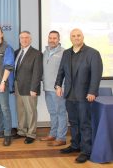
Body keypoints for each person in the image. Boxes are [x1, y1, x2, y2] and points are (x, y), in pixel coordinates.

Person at [55, 28, 103, 163]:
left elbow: (96, 74)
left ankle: (86, 151)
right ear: (70, 38)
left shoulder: (93, 53)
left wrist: (92, 91)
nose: (76, 38)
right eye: (73, 36)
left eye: (78, 35)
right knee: (74, 122)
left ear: (83, 37)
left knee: (85, 123)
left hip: (84, 96)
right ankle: (75, 145)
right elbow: (61, 72)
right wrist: (58, 85)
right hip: (69, 95)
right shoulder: (66, 53)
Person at [13, 31, 43, 144]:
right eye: (22, 38)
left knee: (30, 111)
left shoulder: (37, 54)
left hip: (30, 87)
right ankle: (21, 131)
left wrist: (34, 88)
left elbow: (37, 73)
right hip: (17, 86)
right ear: (19, 39)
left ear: (30, 39)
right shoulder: (16, 52)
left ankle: (31, 134)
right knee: (21, 110)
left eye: (26, 38)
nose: (24, 40)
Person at [40, 30, 67, 146]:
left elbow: (66, 72)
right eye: (50, 38)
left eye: (54, 38)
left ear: (59, 39)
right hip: (47, 88)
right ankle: (53, 134)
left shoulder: (64, 53)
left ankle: (61, 138)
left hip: (58, 89)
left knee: (61, 112)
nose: (52, 40)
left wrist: (60, 86)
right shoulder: (45, 52)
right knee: (52, 112)